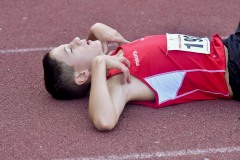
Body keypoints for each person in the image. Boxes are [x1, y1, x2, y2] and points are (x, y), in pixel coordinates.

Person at [43, 22, 239, 131]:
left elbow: (89, 68)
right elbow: (104, 121)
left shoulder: (114, 58)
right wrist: (99, 62)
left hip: (228, 44)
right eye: (69, 49)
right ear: (82, 76)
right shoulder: (119, 82)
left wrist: (94, 31)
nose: (76, 40)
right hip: (234, 69)